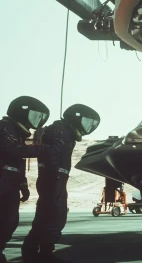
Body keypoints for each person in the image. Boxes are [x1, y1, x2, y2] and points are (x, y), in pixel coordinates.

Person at [22, 104, 100, 262]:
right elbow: (53, 155)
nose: (87, 127)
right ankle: (43, 252)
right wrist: (56, 178)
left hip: (54, 178)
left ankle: (35, 248)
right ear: (76, 118)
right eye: (86, 122)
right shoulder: (61, 132)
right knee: (52, 213)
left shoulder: (63, 131)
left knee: (49, 213)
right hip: (54, 178)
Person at [0, 96, 50, 263]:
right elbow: (14, 150)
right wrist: (41, 149)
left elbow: (16, 162)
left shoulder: (17, 132)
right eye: (35, 116)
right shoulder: (4, 127)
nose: (37, 121)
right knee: (5, 220)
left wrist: (22, 184)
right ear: (22, 112)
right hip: (3, 184)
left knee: (10, 221)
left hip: (10, 184)